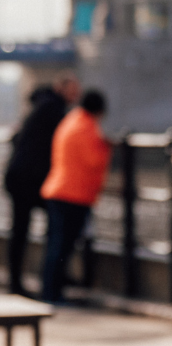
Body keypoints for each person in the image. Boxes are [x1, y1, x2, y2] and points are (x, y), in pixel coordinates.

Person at [3, 74, 80, 295]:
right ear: (60, 88)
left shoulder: (41, 106)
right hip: (28, 180)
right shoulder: (53, 110)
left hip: (21, 177)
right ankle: (49, 277)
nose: (76, 95)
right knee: (56, 222)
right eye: (72, 90)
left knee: (24, 230)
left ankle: (24, 280)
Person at [39, 89, 111, 304]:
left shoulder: (71, 121)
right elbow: (94, 160)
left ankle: (50, 291)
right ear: (98, 110)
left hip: (59, 191)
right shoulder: (85, 128)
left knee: (56, 244)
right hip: (72, 195)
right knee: (61, 246)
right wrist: (106, 147)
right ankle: (52, 294)